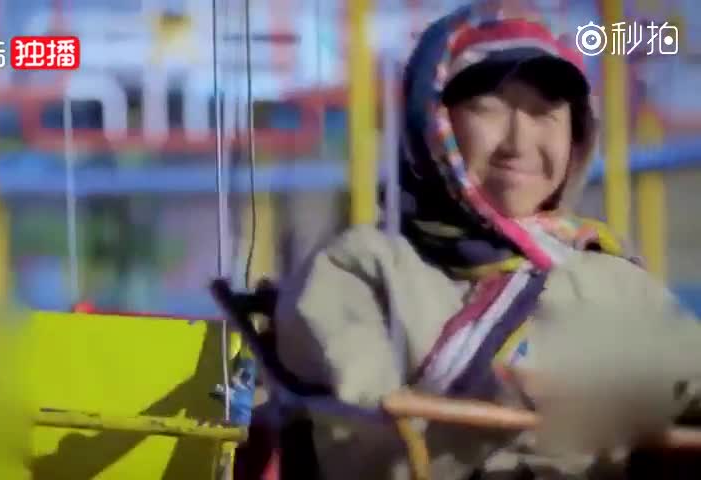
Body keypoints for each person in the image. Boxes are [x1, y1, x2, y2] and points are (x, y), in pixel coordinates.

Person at [274, 3, 701, 479]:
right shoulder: (360, 269)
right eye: (488, 107)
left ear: (577, 134)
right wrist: (497, 407)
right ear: (431, 118)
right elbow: (362, 443)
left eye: (544, 112)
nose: (518, 142)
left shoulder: (610, 278)